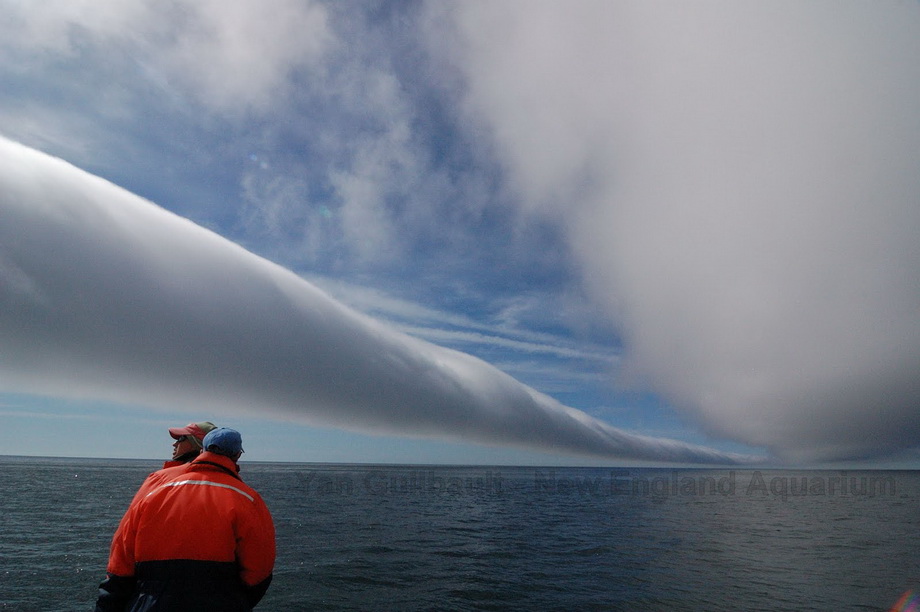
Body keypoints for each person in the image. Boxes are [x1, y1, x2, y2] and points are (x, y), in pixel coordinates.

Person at [95, 428, 276, 611]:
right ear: (237, 455)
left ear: (202, 451)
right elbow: (260, 568)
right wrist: (235, 600)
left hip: (150, 602)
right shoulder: (248, 498)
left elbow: (122, 552)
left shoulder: (156, 491)